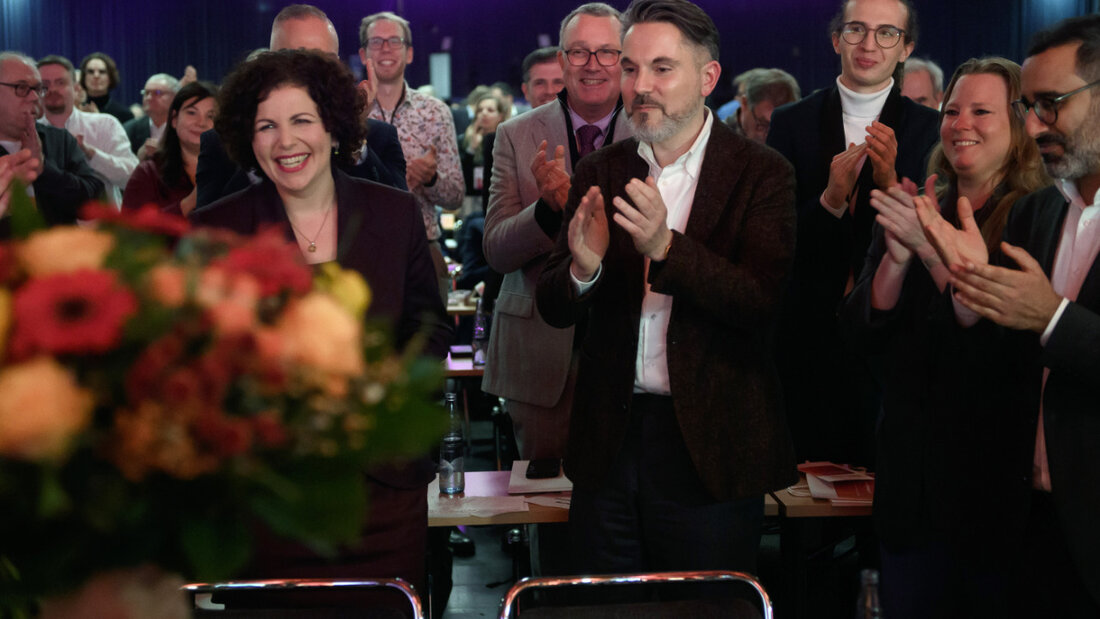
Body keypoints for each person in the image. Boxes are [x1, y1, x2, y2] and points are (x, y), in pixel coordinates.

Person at [536, 0, 796, 575]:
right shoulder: (601, 168)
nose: (640, 86)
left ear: (708, 77)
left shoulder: (762, 172)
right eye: (630, 69)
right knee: (606, 608)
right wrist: (583, 269)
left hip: (710, 446)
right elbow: (552, 306)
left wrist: (667, 250)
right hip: (610, 441)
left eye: (661, 68)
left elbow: (761, 302)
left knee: (705, 609)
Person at [190, 49, 449, 600]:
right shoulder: (218, 230)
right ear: (247, 140)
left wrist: (383, 391)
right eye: (267, 126)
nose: (286, 141)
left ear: (333, 127)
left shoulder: (394, 211)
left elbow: (429, 327)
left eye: (301, 120)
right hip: (269, 496)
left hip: (383, 491)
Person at [842, 57, 1048, 619]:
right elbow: (858, 337)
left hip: (990, 497)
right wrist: (896, 257)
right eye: (952, 109)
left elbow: (1000, 359)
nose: (962, 123)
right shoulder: (918, 203)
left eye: (982, 111)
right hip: (909, 489)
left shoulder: (1038, 217)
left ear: (1019, 122)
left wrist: (932, 253)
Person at [916, 15, 1100, 616]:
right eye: (1028, 106)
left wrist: (1053, 318)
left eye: (1052, 103)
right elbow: (999, 370)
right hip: (1027, 527)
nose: (1034, 124)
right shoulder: (1039, 212)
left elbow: (1050, 329)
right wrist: (972, 293)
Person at [766, 0, 940, 466]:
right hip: (808, 328)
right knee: (805, 487)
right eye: (856, 29)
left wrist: (886, 186)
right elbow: (774, 234)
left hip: (895, 333)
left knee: (887, 480)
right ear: (835, 38)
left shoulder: (931, 129)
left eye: (886, 33)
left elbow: (934, 237)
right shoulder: (791, 121)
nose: (869, 44)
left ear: (906, 48)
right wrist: (830, 201)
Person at [483, 2, 632, 462]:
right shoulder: (515, 134)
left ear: (626, 60)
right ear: (562, 60)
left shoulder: (656, 130)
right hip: (539, 355)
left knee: (623, 513)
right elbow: (496, 252)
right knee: (547, 518)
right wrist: (546, 213)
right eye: (580, 53)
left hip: (629, 348)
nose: (593, 65)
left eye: (607, 52)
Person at [195, 3, 407, 208]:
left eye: (325, 60)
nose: (314, 73)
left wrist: (353, 136)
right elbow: (210, 231)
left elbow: (400, 218)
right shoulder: (219, 143)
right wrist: (260, 146)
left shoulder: (379, 137)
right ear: (268, 63)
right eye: (299, 59)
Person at [360, 11, 465, 299]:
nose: (385, 48)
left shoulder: (435, 112)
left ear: (409, 53)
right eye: (376, 41)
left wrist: (431, 179)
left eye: (394, 41)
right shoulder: (347, 110)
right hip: (358, 249)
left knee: (429, 341)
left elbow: (455, 196)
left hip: (422, 246)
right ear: (362, 53)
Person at [0, 52, 104, 227]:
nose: (34, 97)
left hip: (61, 251)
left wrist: (44, 169)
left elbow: (94, 202)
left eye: (38, 89)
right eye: (21, 87)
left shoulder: (60, 139)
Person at [38, 55, 138, 209]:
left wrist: (92, 154)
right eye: (44, 85)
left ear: (76, 87)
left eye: (60, 83)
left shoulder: (105, 124)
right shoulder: (29, 131)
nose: (52, 90)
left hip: (102, 228)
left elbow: (133, 178)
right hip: (48, 230)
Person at [122, 81, 216, 216]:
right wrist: (187, 204)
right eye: (191, 113)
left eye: (211, 116)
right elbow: (128, 231)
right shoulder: (148, 173)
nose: (201, 122)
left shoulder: (234, 172)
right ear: (174, 119)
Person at [728, 67, 800, 143]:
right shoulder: (718, 141)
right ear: (744, 103)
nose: (770, 135)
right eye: (762, 125)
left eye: (781, 127)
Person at [460, 92, 506, 209]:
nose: (484, 113)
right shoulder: (463, 139)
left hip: (497, 200)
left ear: (500, 116)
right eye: (480, 110)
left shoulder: (506, 141)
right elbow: (460, 176)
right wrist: (471, 149)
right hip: (469, 201)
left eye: (490, 110)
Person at [124, 73, 180, 160]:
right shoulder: (130, 129)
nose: (149, 97)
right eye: (146, 93)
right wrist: (138, 159)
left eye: (157, 93)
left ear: (175, 97)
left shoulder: (185, 128)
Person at [78, 52, 133, 124]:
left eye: (102, 72)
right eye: (90, 71)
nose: (96, 76)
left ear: (110, 78)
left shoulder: (124, 115)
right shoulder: (74, 112)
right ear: (84, 77)